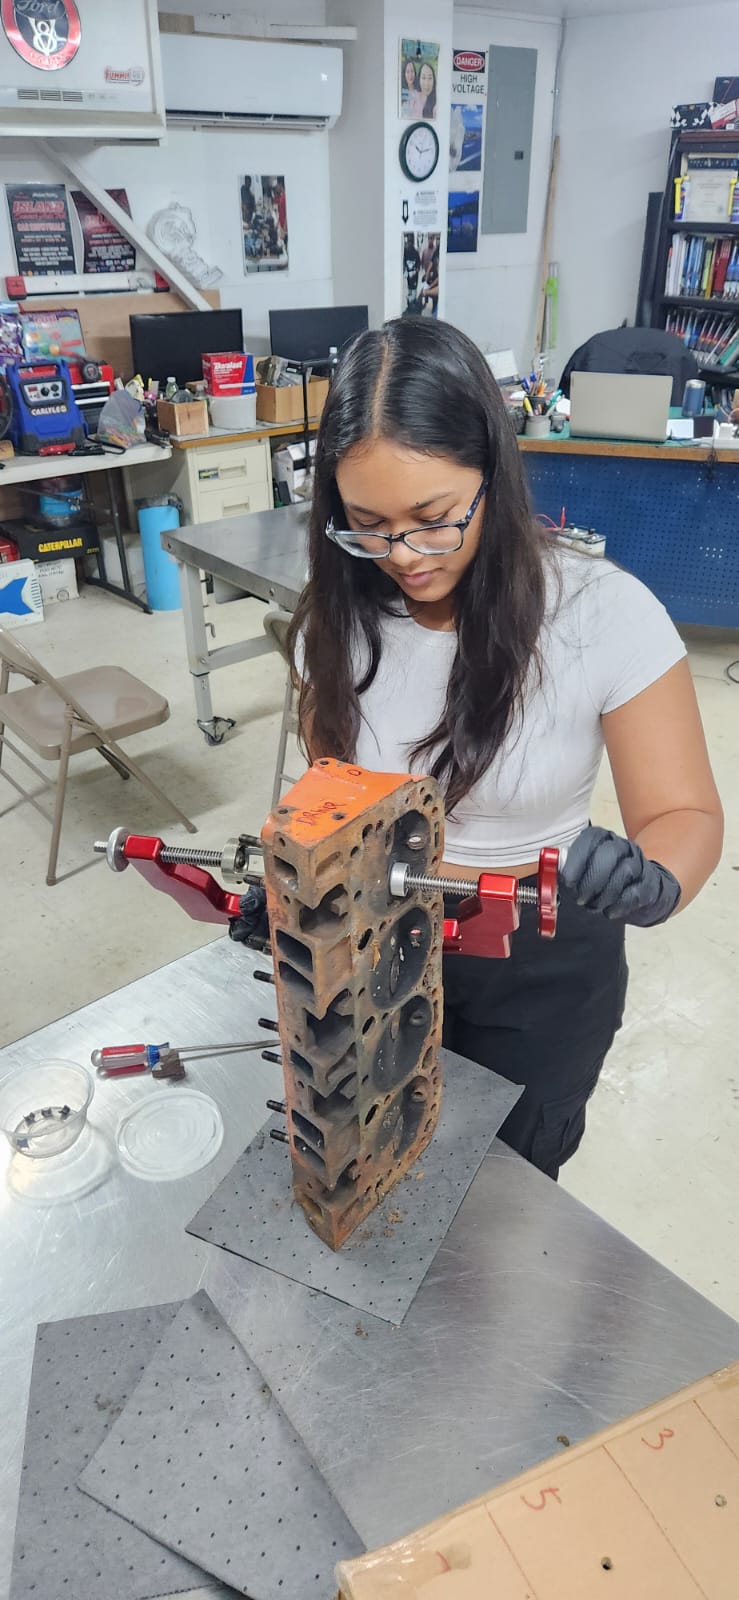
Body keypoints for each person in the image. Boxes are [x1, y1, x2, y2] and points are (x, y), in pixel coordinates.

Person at [286, 318, 723, 1180]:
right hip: (375, 939)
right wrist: (297, 883)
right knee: (377, 1162)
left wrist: (653, 879)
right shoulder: (339, 620)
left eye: (434, 519)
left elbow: (685, 813)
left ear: (493, 473)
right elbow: (328, 787)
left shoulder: (602, 613)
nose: (401, 555)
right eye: (366, 524)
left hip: (539, 952)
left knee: (510, 1191)